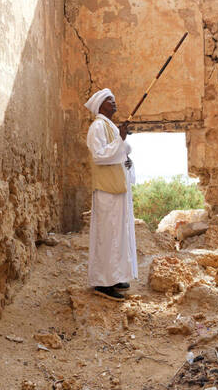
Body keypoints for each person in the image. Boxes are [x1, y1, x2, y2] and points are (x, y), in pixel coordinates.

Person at [84, 88, 138, 301]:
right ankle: (102, 283)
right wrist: (120, 140)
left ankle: (114, 277)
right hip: (107, 191)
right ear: (100, 105)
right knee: (107, 236)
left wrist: (126, 156)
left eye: (114, 99)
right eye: (109, 100)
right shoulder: (97, 127)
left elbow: (121, 151)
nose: (114, 102)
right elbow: (99, 156)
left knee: (117, 234)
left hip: (117, 189)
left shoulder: (110, 127)